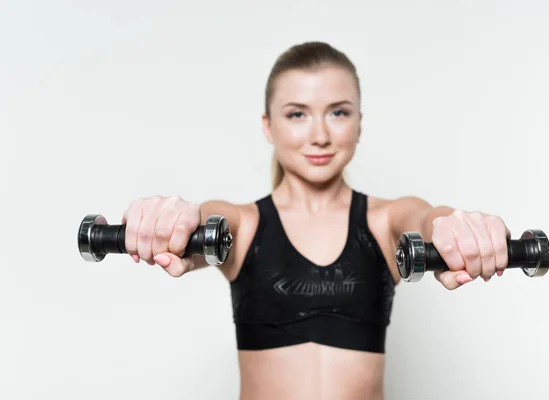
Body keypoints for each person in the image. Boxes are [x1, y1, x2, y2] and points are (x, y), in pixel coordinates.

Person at [121, 42, 511, 400]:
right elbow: (206, 220)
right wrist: (176, 219)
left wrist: (457, 227)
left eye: (338, 112)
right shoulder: (242, 225)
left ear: (359, 123)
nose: (320, 135)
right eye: (297, 115)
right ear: (268, 126)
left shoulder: (385, 221)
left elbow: (427, 220)